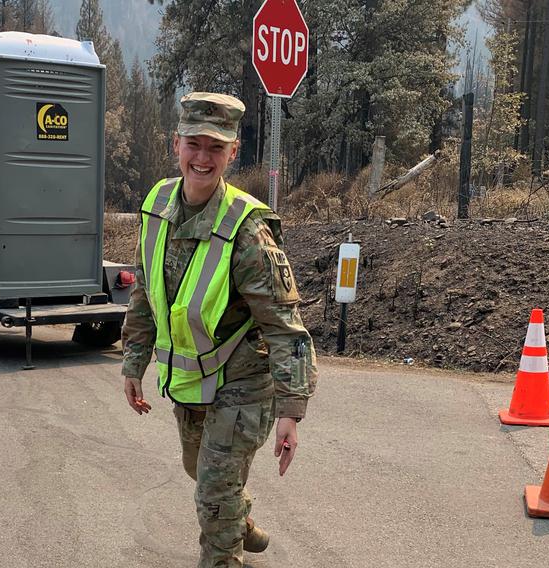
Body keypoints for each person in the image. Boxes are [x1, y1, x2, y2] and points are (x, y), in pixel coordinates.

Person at [121, 91, 317, 568]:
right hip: (194, 381)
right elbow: (146, 290)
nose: (202, 158)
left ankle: (225, 545)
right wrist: (134, 362)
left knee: (212, 492)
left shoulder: (249, 232)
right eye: (194, 144)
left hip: (247, 383)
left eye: (216, 147)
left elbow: (287, 329)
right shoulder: (157, 204)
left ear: (232, 153)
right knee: (201, 471)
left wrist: (292, 410)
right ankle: (239, 518)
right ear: (176, 145)